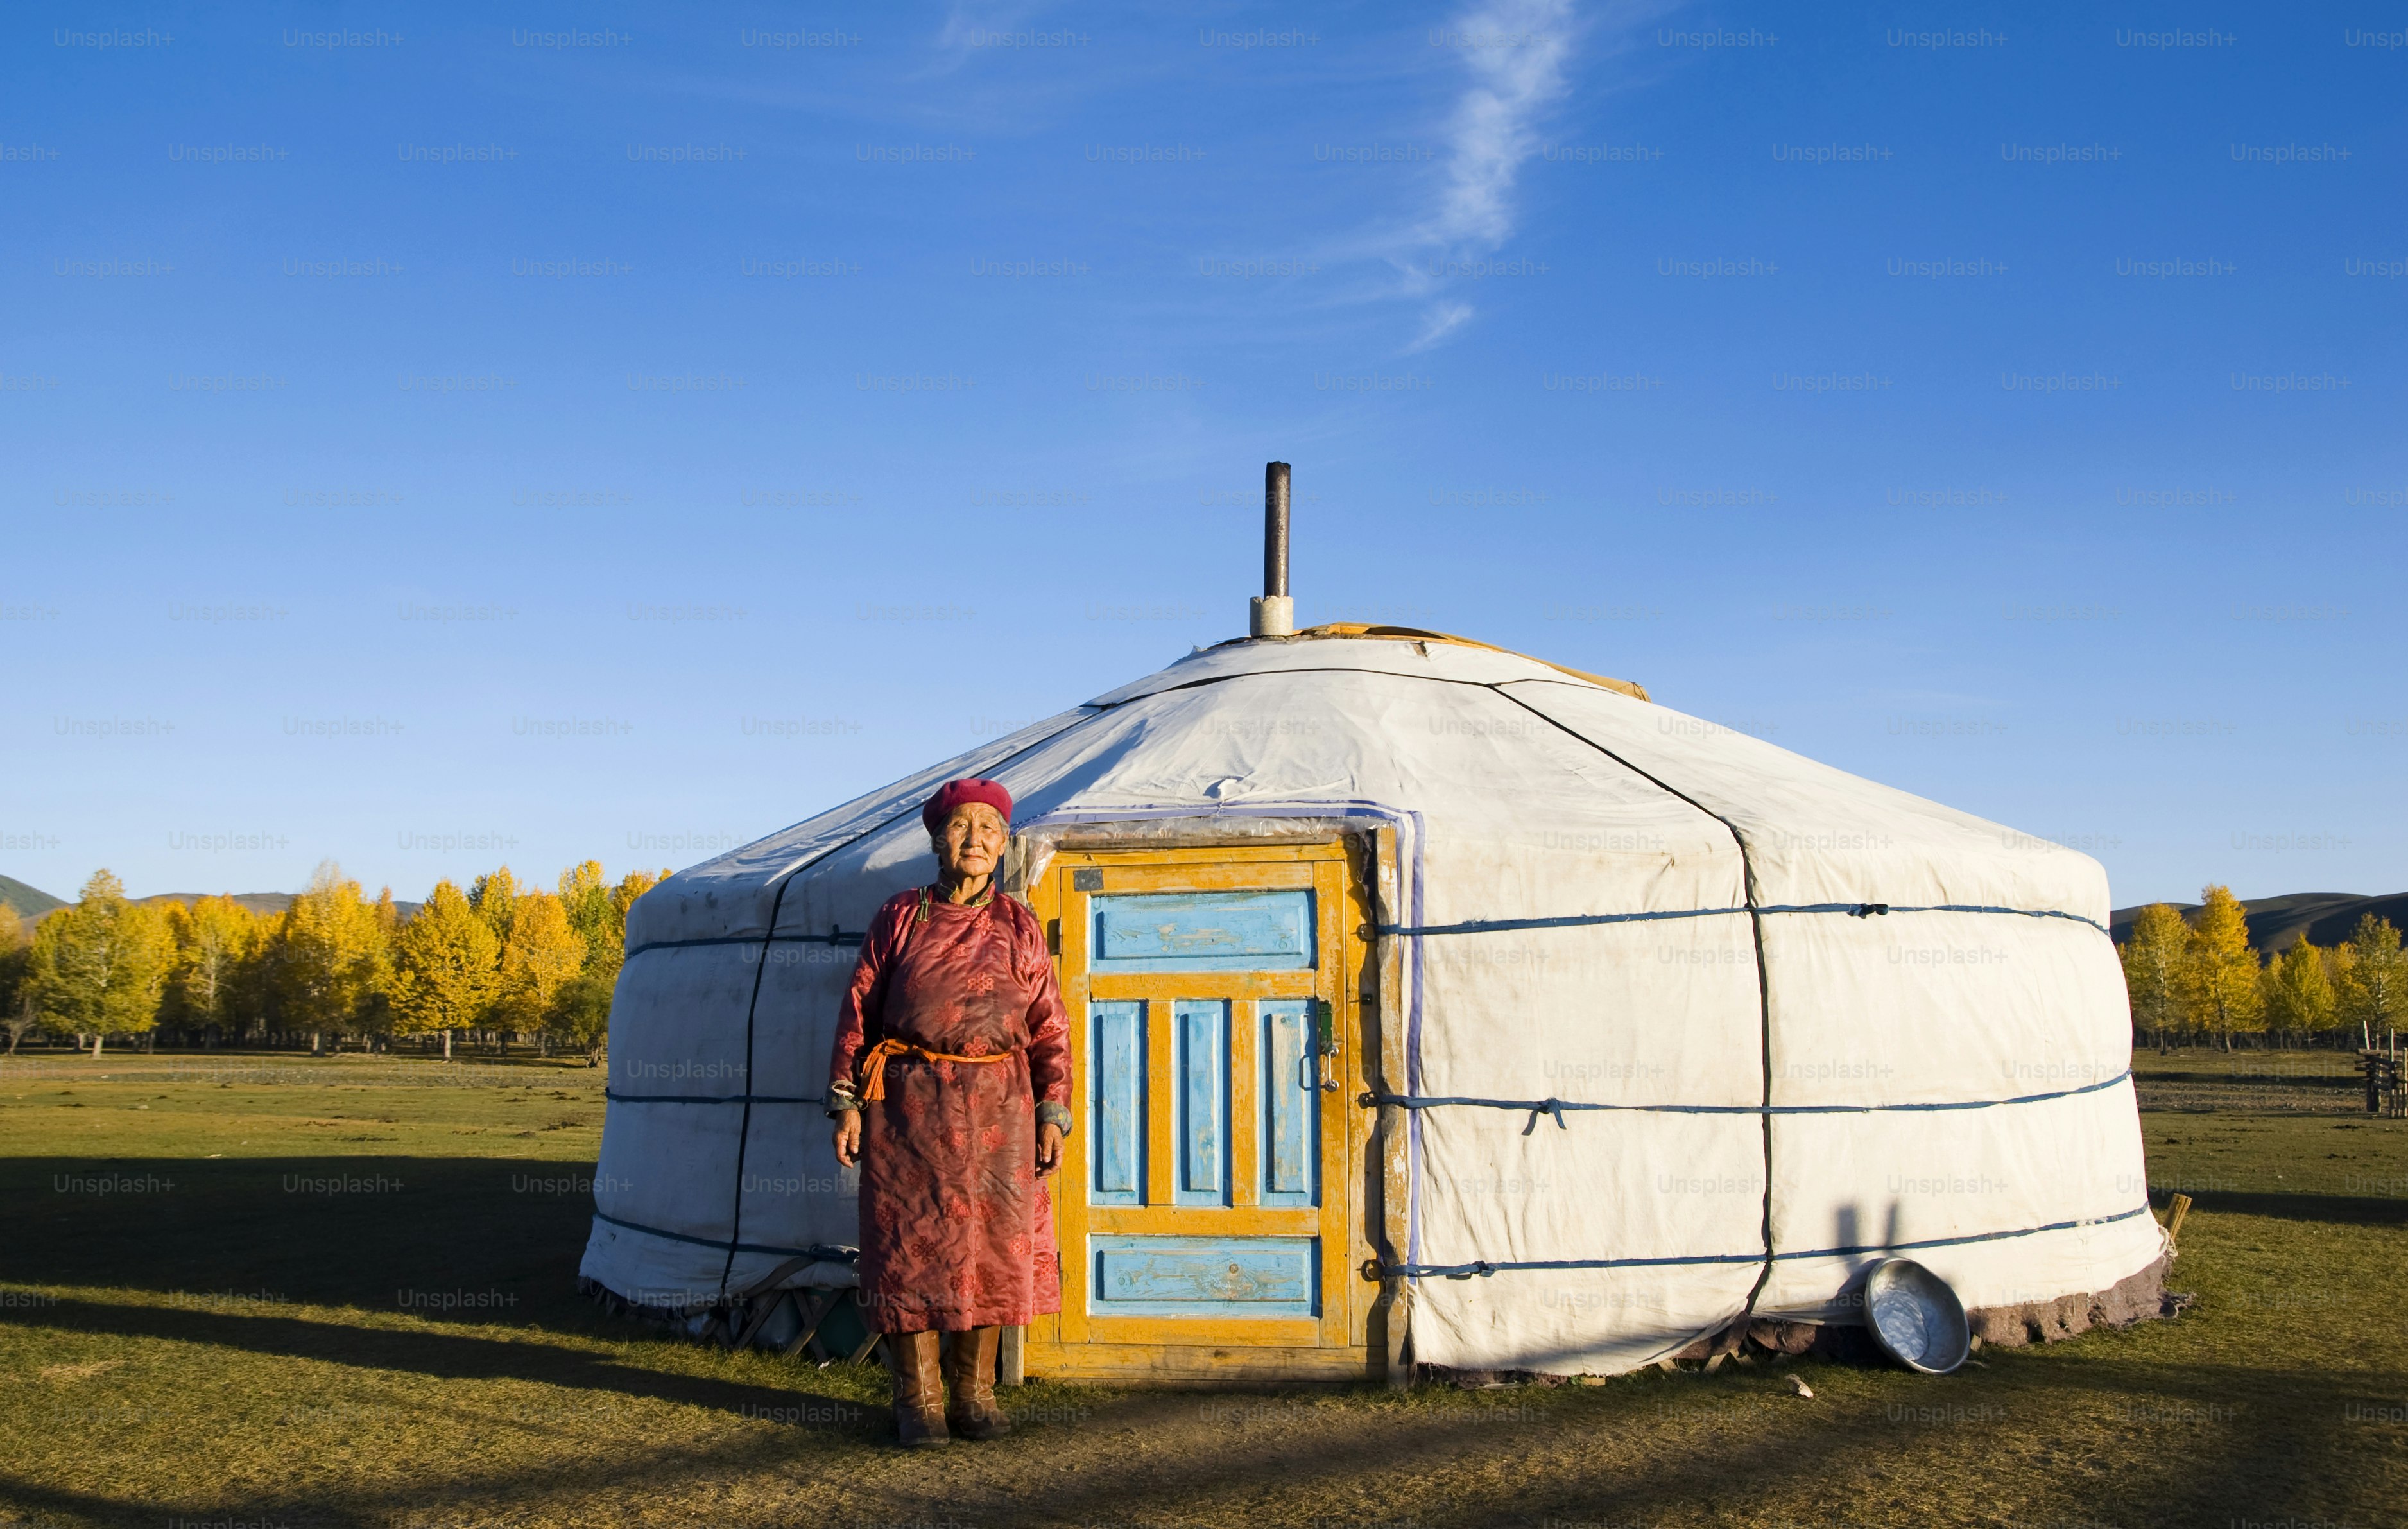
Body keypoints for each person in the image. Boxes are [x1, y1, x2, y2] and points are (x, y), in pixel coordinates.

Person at [827, 777, 1072, 1446]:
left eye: (989, 830)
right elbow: (859, 1011)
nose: (975, 841)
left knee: (993, 1253)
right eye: (961, 828)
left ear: (1002, 845)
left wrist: (1053, 1112)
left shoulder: (1018, 922)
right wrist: (846, 1102)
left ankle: (975, 1397)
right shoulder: (901, 915)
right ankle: (918, 1404)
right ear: (937, 839)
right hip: (908, 1108)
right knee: (911, 1251)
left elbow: (1049, 1027)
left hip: (1003, 1108)